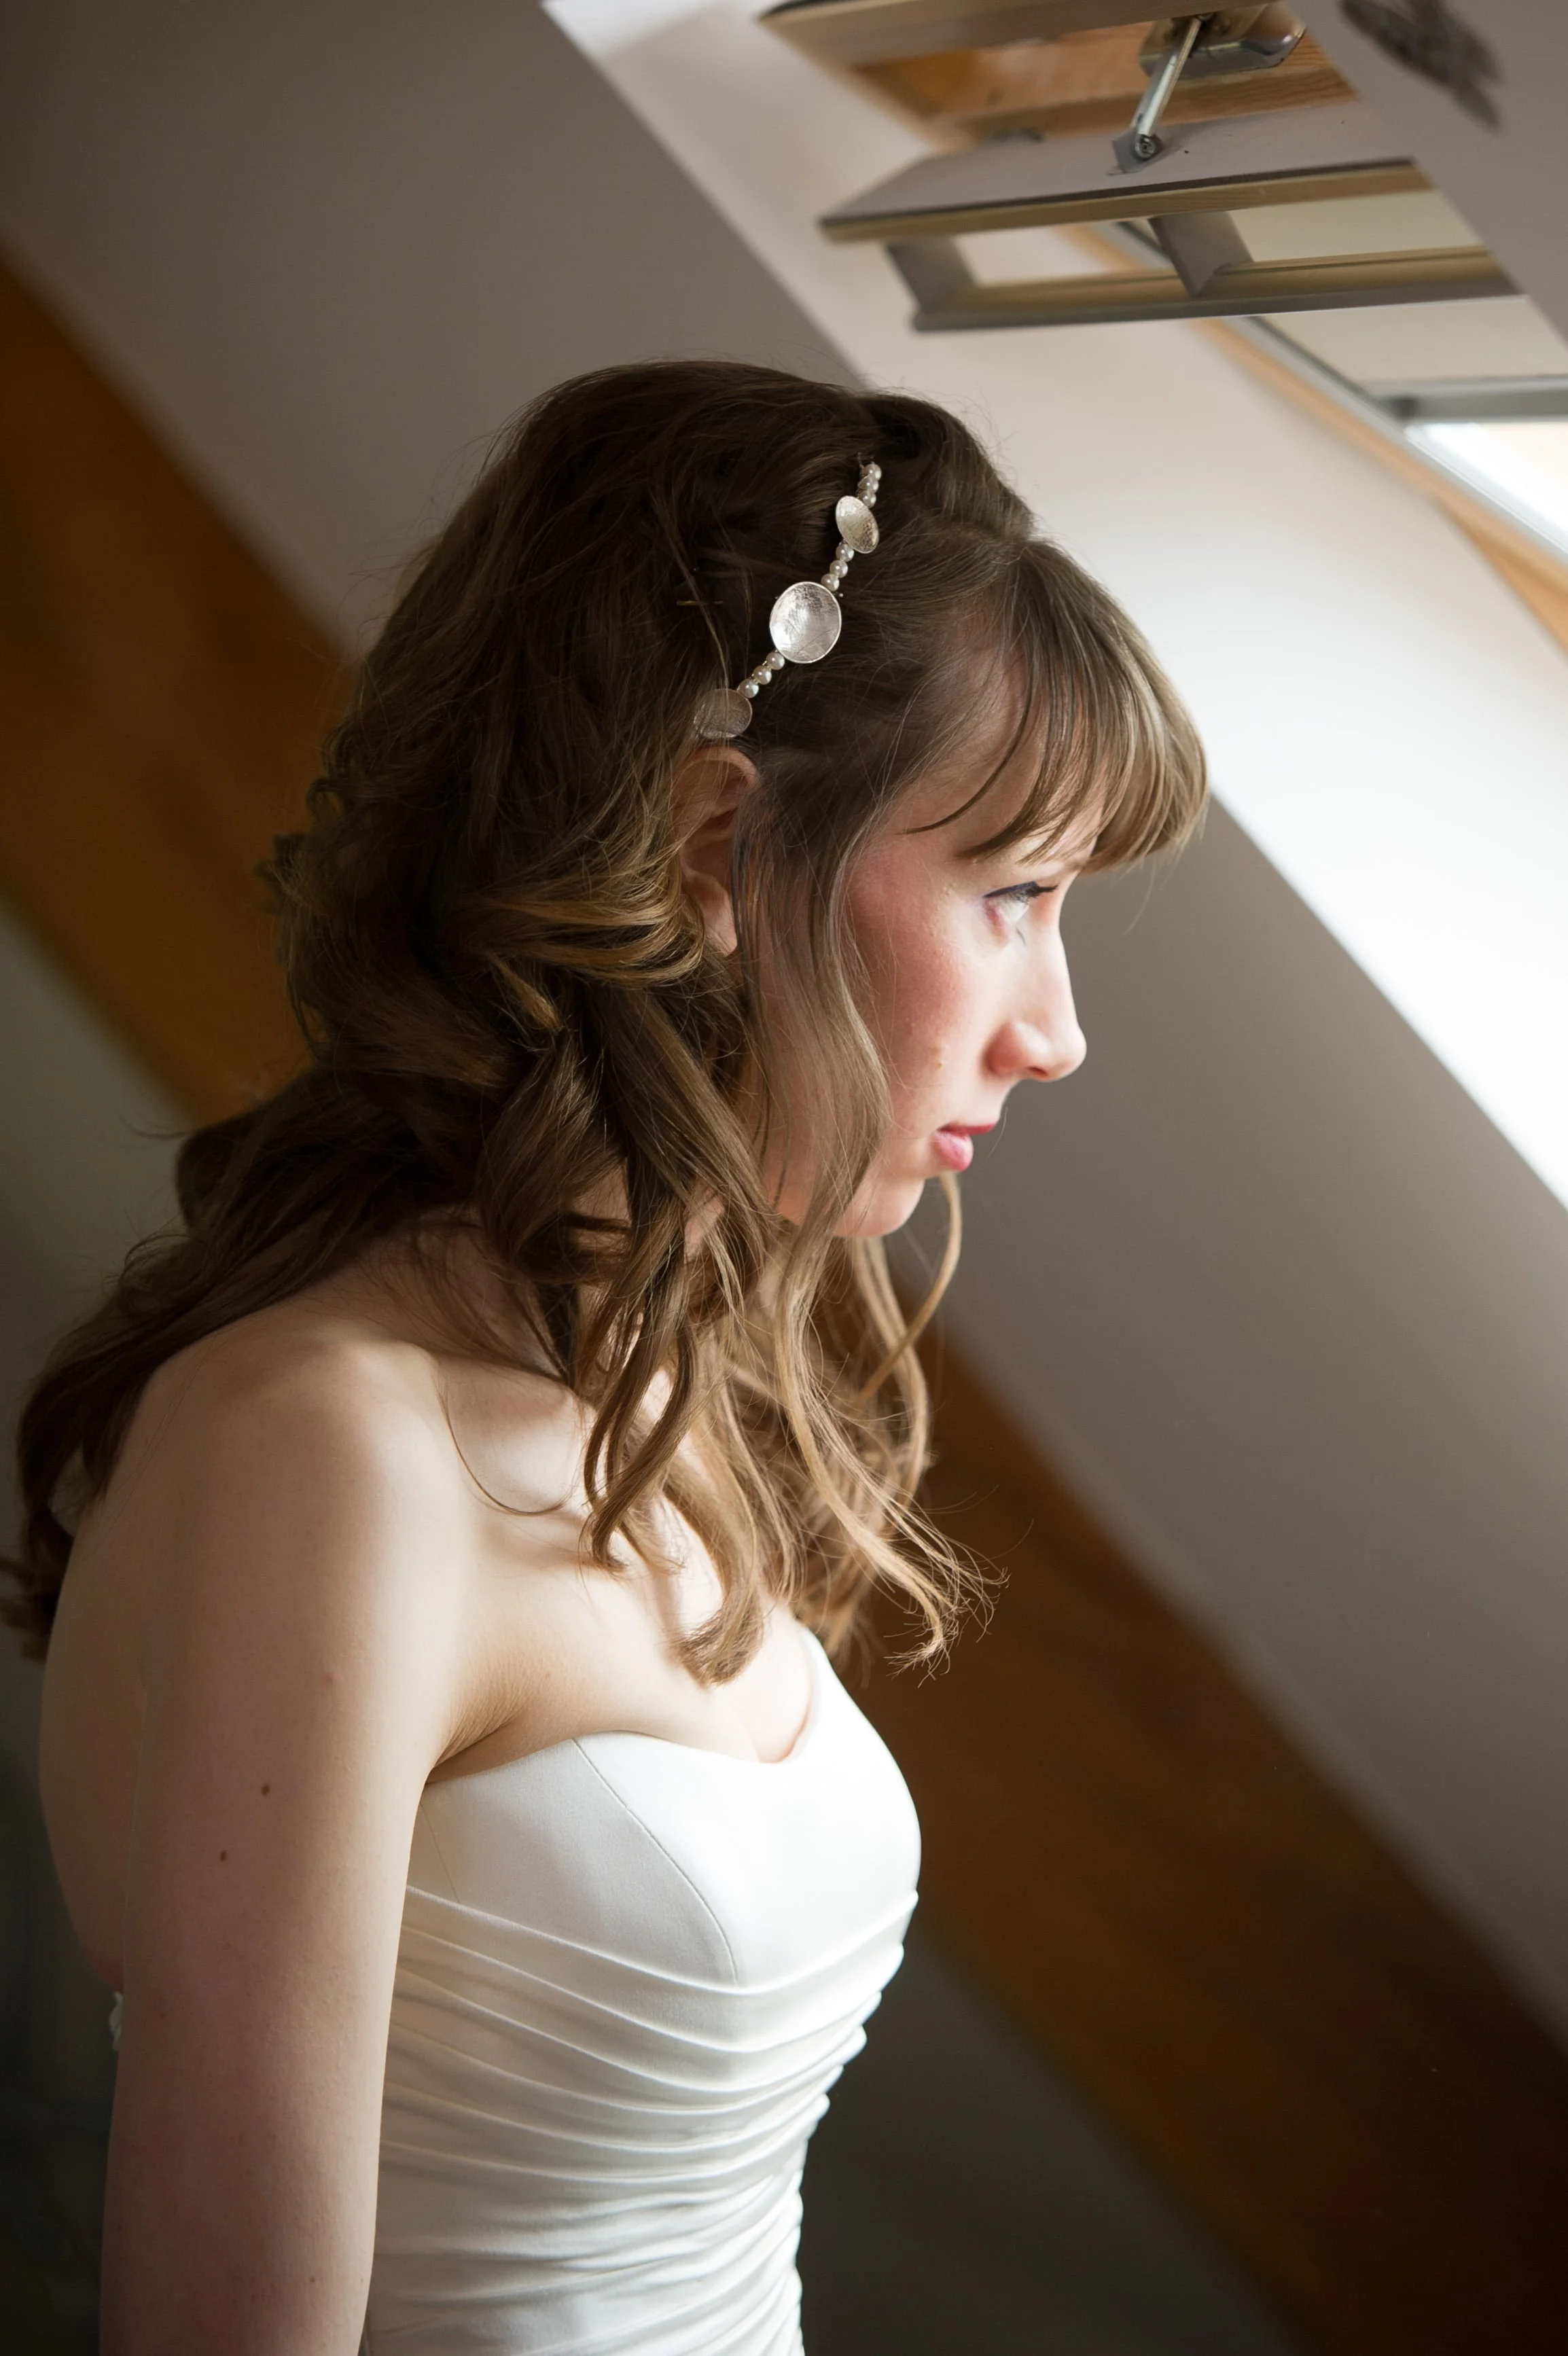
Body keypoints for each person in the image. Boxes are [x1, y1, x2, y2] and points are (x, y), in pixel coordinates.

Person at [7, 361, 1205, 2355]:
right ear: (716, 842)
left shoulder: (650, 1362)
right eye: (1011, 893)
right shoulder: (326, 1452)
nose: (1055, 1028)